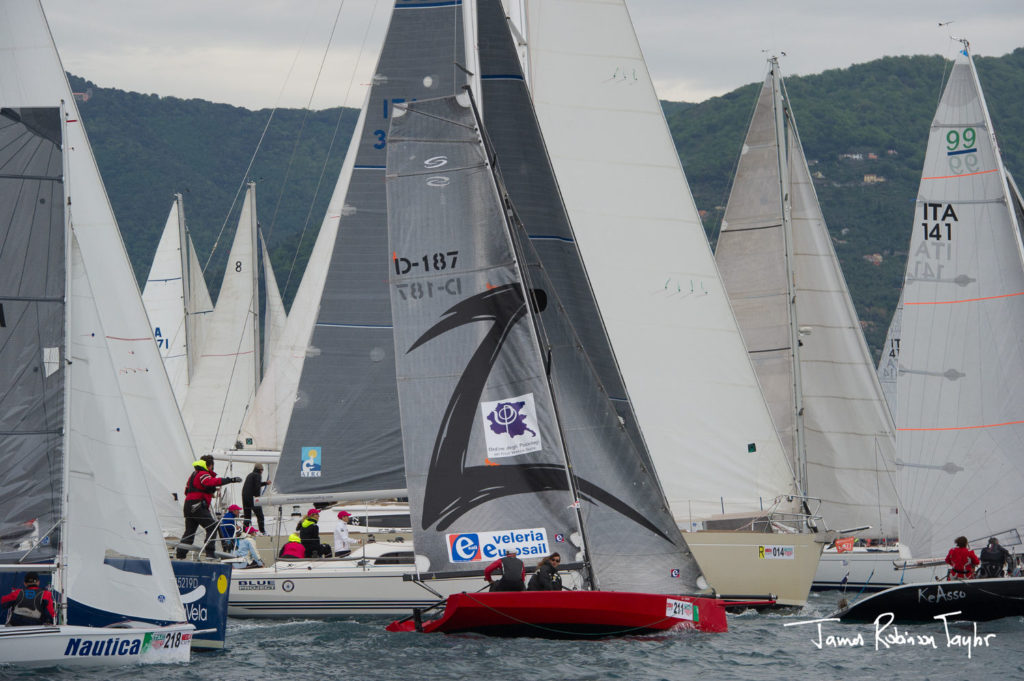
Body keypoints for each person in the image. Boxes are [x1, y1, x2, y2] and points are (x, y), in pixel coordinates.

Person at [176, 455, 242, 560]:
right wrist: (231, 480)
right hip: (197, 506)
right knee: (212, 526)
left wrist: (209, 492)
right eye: (212, 466)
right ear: (209, 466)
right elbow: (210, 482)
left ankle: (180, 556)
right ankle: (210, 553)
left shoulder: (193, 474)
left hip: (188, 506)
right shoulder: (203, 473)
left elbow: (188, 491)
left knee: (189, 532)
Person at [241, 463, 270, 534]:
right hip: (252, 497)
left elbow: (256, 484)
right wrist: (258, 498)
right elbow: (257, 487)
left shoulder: (250, 475)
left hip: (245, 496)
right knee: (260, 515)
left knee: (247, 516)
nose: (262, 472)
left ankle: (245, 531)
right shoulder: (258, 475)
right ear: (260, 470)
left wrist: (265, 483)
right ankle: (262, 531)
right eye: (262, 470)